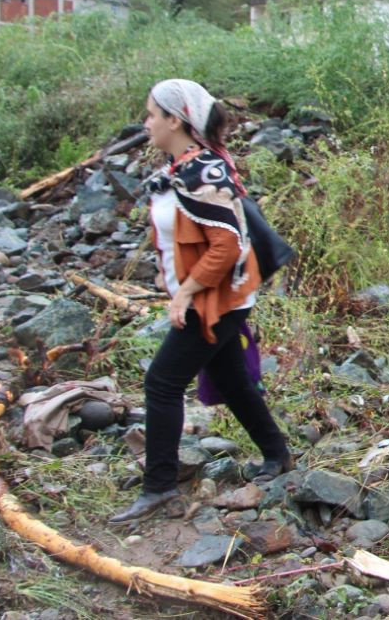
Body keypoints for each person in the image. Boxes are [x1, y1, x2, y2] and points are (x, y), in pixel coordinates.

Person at [110, 79, 292, 523]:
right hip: (212, 295)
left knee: (162, 382)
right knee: (230, 380)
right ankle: (277, 454)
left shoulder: (204, 172)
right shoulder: (181, 168)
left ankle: (159, 489)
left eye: (152, 114)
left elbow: (227, 244)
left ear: (176, 120)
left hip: (216, 299)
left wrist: (187, 292)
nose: (146, 122)